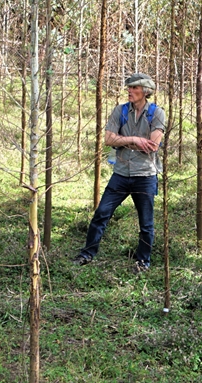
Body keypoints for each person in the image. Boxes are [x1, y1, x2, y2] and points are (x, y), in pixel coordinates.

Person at [73, 73, 166, 272]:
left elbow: (153, 145)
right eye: (129, 87)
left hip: (145, 175)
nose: (129, 91)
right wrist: (134, 140)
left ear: (145, 91)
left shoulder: (157, 113)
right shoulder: (120, 110)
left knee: (146, 223)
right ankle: (87, 254)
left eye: (134, 88)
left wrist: (122, 140)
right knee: (101, 214)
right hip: (121, 173)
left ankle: (143, 262)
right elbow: (108, 139)